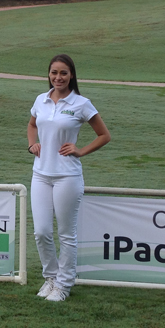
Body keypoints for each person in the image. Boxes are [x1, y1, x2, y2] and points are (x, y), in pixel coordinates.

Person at [27, 54, 110, 302]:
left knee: (66, 234)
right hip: (40, 175)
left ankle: (63, 285)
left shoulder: (81, 103)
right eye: (54, 72)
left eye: (63, 73)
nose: (58, 77)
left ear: (71, 75)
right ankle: (51, 278)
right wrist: (32, 144)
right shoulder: (41, 100)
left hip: (67, 176)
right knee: (41, 232)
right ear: (49, 74)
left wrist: (80, 150)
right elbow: (32, 125)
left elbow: (104, 135)